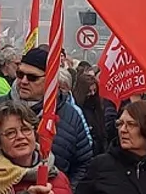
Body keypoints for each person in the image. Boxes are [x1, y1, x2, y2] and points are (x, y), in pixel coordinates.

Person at [5, 48, 93, 185]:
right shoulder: (0, 109)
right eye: (20, 74)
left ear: (50, 79)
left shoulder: (71, 115)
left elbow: (83, 163)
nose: (23, 81)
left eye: (32, 77)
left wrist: (65, 191)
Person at [73, 72, 107, 156]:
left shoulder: (97, 106)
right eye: (89, 91)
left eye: (94, 90)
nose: (92, 94)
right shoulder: (77, 109)